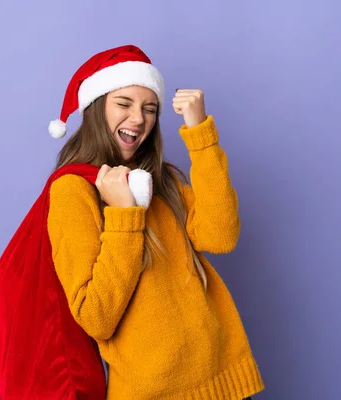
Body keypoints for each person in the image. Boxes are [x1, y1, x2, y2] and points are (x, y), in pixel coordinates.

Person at [45, 44, 264, 400]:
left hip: (222, 379)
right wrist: (124, 216)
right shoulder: (72, 191)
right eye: (124, 104)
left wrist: (200, 136)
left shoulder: (159, 180)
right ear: (98, 106)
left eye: (150, 109)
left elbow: (221, 236)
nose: (138, 119)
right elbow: (95, 316)